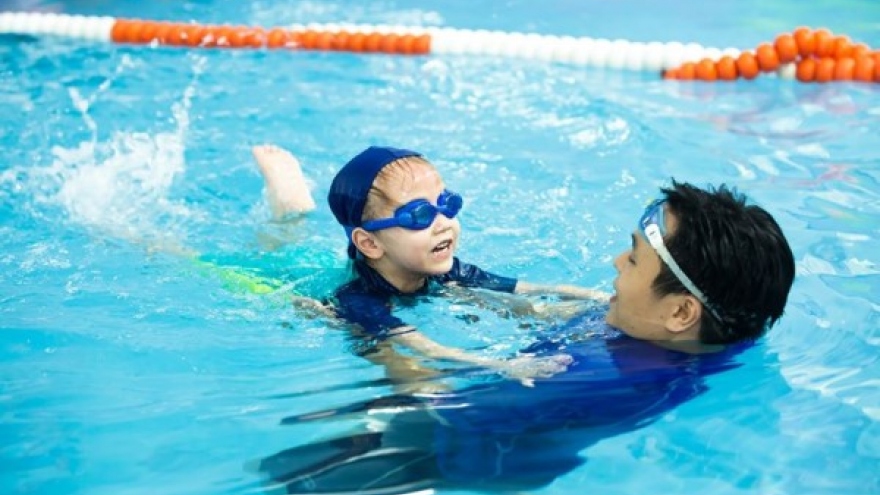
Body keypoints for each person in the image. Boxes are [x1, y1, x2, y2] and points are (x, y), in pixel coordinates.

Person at [249, 178, 797, 494]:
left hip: (443, 454)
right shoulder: (684, 335)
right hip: (485, 429)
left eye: (633, 258)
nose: (616, 262)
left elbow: (435, 401)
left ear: (679, 312)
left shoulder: (594, 380)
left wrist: (375, 339)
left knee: (280, 477)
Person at [253, 144, 605, 386]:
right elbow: (424, 346)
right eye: (419, 215)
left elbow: (530, 289)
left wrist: (601, 299)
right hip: (297, 292)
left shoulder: (446, 268)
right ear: (370, 243)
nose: (443, 223)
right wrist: (501, 365)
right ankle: (289, 210)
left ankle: (292, 215)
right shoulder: (358, 299)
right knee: (278, 261)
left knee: (516, 305)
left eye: (446, 204)